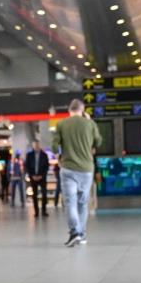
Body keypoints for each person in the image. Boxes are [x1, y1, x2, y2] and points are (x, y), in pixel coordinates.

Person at [51, 99, 103, 247]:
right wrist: (89, 122)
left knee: (70, 202)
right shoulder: (90, 124)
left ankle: (74, 232)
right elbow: (98, 141)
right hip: (86, 169)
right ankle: (81, 234)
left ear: (69, 110)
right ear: (82, 109)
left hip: (68, 168)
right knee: (82, 203)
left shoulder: (61, 124)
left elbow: (54, 145)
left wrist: (58, 158)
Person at [25, 140, 49, 217]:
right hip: (33, 177)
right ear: (33, 146)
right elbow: (27, 166)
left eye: (38, 145)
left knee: (44, 194)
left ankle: (44, 211)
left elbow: (46, 166)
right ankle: (36, 212)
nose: (37, 146)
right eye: (35, 145)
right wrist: (32, 176)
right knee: (34, 195)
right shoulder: (29, 155)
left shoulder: (44, 155)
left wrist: (42, 175)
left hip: (42, 177)